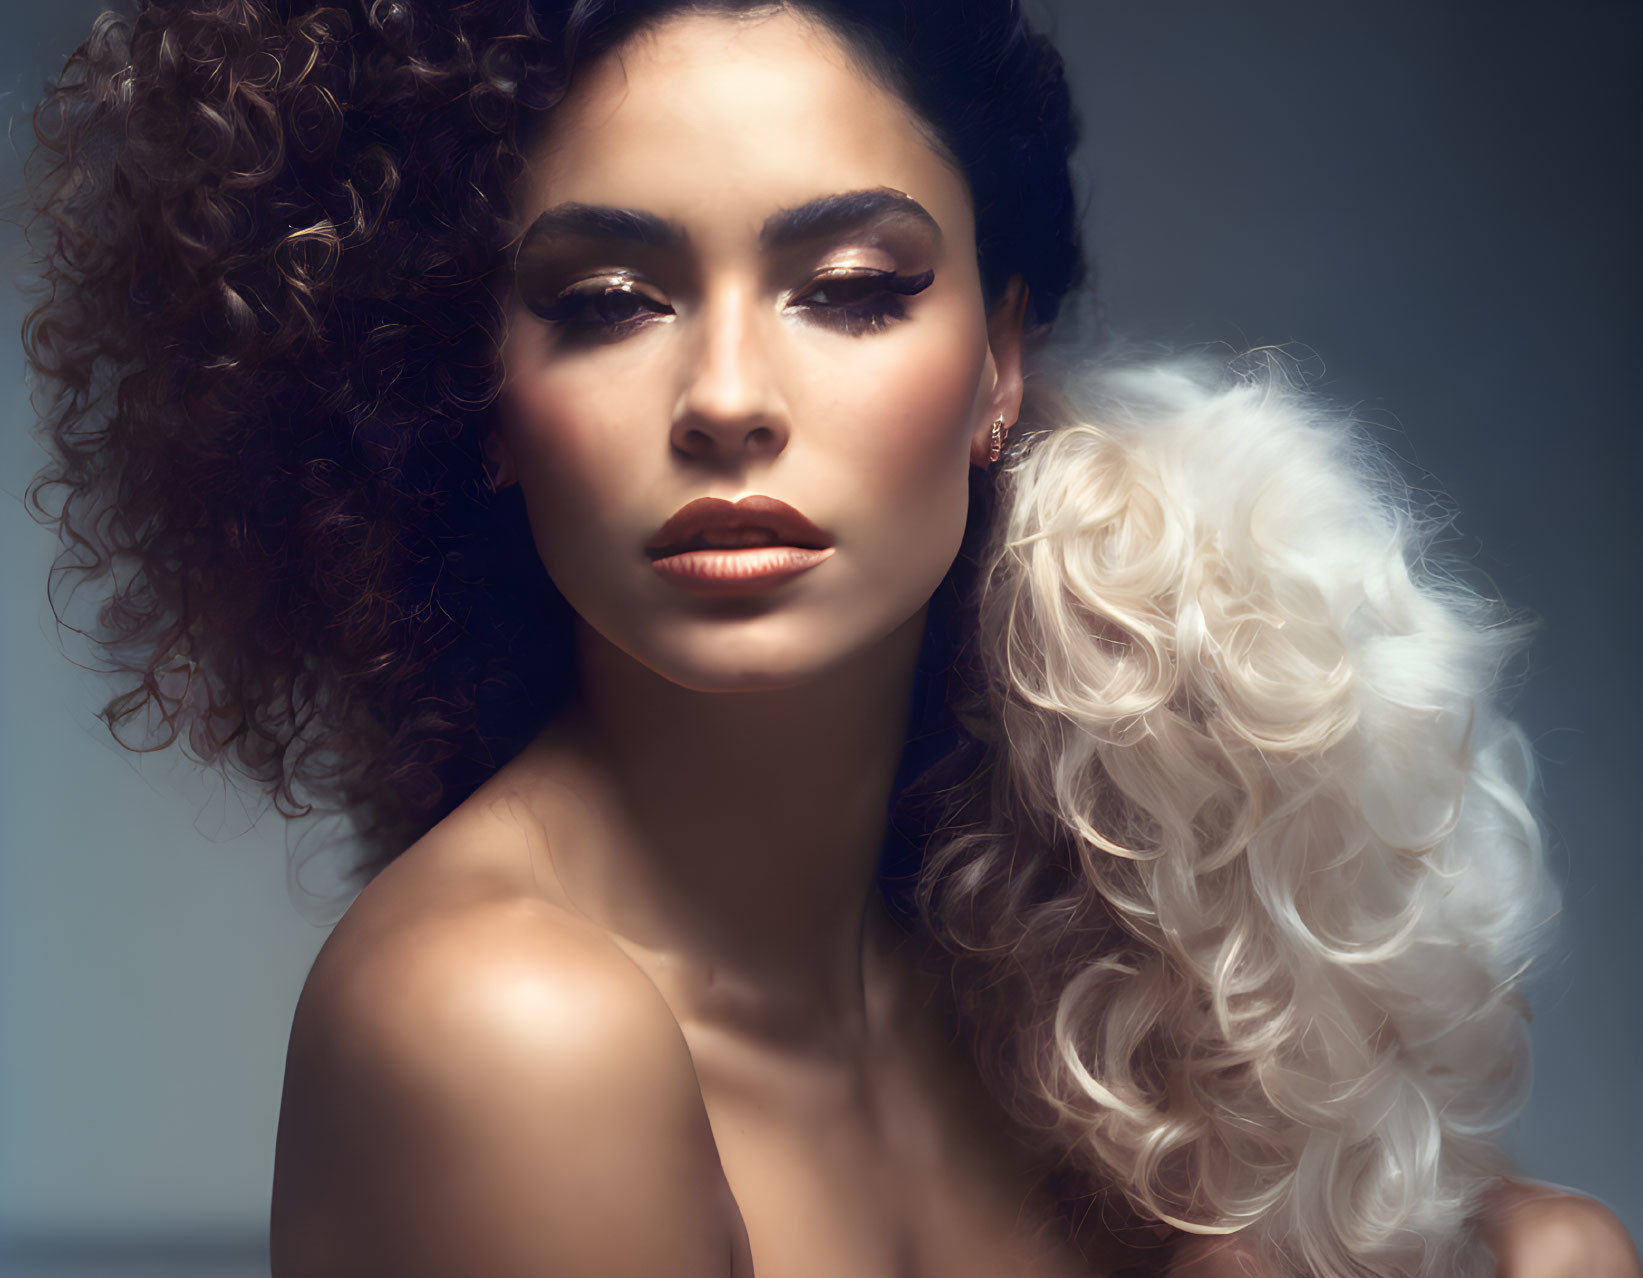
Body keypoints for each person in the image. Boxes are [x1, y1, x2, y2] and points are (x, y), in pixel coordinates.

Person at [20, 0, 1639, 1274]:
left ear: (1001, 368)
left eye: (852, 286)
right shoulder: (504, 1028)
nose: (727, 399)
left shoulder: (1013, 945)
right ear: (480, 404)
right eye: (605, 300)